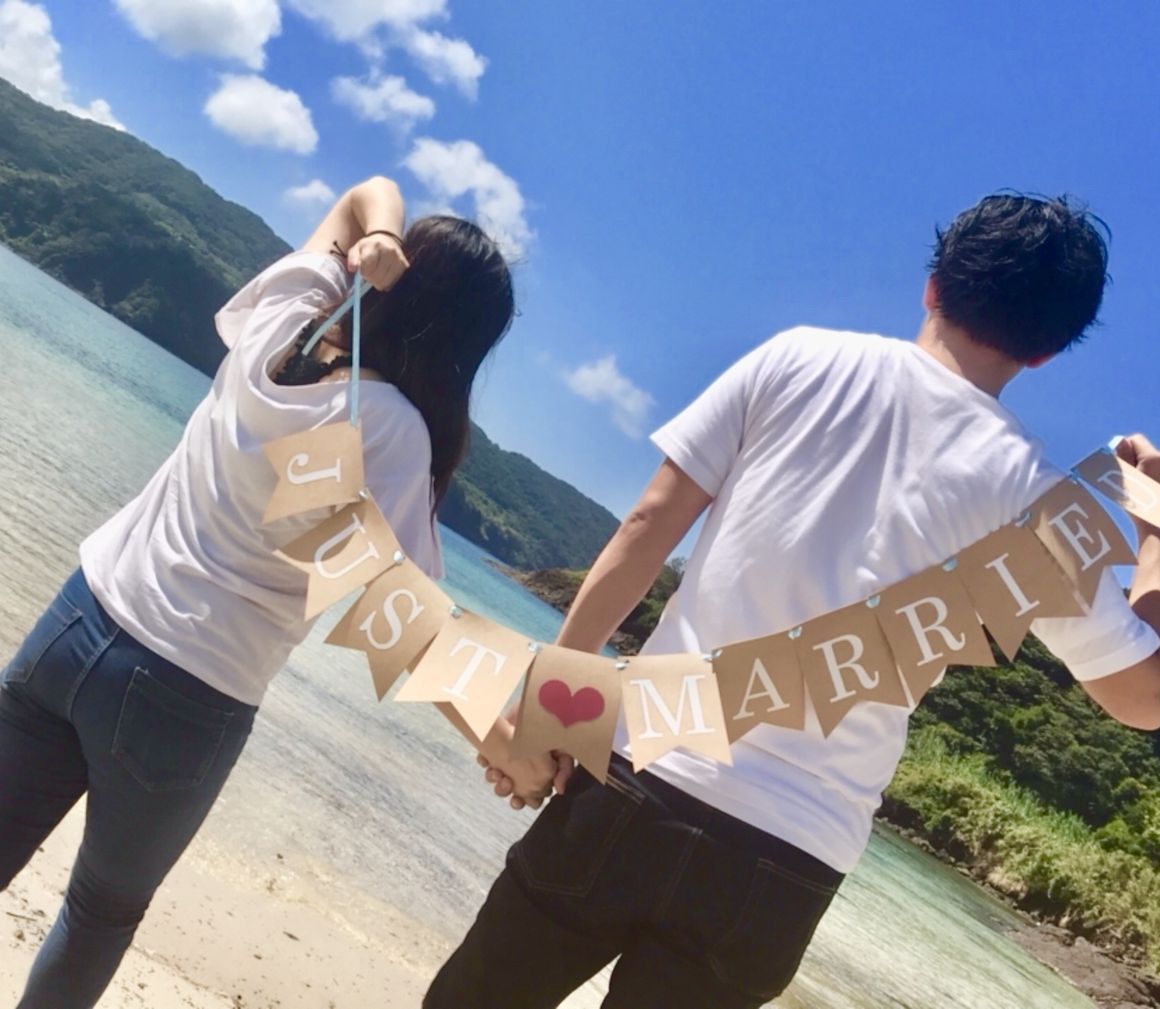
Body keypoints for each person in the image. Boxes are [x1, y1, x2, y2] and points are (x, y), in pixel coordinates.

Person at [426, 193, 1160, 1009]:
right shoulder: (1039, 502)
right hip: (789, 856)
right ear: (1048, 352)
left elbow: (646, 526)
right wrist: (1153, 533)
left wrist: (547, 713)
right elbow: (1143, 697)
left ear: (934, 284)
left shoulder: (798, 357)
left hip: (641, 772)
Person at [0, 175, 519, 1009]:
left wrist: (381, 233)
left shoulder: (285, 321)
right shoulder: (392, 431)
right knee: (99, 914)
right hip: (186, 694)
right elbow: (407, 625)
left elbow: (363, 195)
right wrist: (507, 741)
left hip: (80, 615)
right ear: (464, 347)